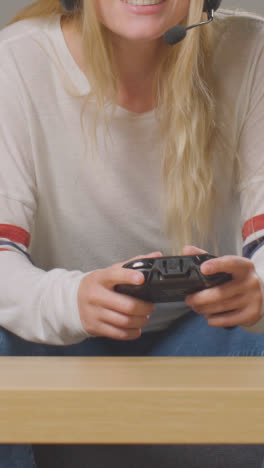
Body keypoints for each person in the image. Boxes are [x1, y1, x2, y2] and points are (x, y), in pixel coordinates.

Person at [0, 0, 264, 466]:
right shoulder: (16, 61)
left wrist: (257, 287)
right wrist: (71, 298)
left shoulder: (252, 50)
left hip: (203, 348)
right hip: (60, 358)